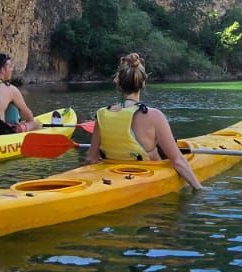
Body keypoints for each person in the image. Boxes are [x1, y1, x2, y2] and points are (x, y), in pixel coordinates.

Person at [87, 51, 203, 192]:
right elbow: (178, 162)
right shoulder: (154, 115)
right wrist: (199, 189)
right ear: (143, 83)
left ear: (118, 82)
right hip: (146, 178)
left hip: (111, 176)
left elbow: (92, 159)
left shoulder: (102, 114)